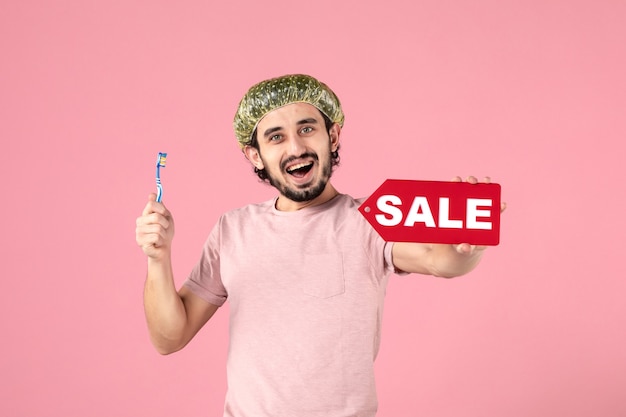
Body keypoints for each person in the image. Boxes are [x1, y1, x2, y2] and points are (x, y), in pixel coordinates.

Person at [135, 74, 504, 417]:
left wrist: (466, 246)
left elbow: (438, 260)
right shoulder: (232, 229)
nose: (296, 147)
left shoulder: (369, 221)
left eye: (307, 129)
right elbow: (170, 337)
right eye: (276, 137)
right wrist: (158, 258)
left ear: (333, 135)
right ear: (254, 155)